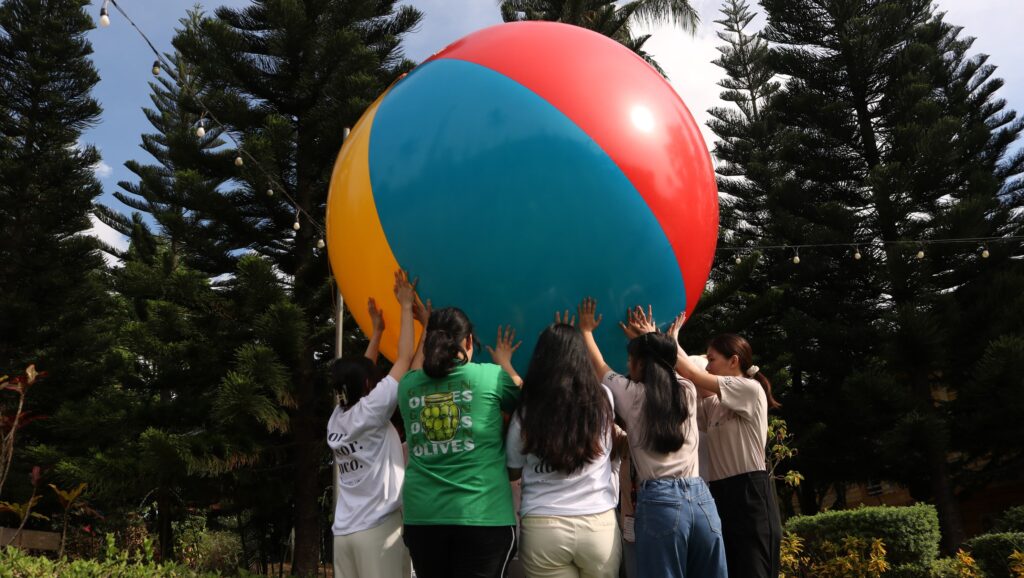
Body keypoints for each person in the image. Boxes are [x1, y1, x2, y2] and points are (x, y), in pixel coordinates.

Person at [577, 298, 726, 578]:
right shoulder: (686, 391)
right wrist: (648, 338)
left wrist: (586, 330)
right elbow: (666, 365)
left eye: (630, 359)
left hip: (660, 503)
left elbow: (601, 368)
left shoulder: (631, 395)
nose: (626, 364)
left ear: (639, 364)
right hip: (702, 498)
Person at [398, 307, 522, 578]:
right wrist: (505, 361)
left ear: (429, 342)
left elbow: (417, 369)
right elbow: (526, 403)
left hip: (423, 519)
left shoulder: (407, 386)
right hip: (483, 517)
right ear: (468, 342)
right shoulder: (491, 377)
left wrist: (422, 325)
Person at [666, 312, 783, 578]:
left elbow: (695, 375)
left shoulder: (749, 389)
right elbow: (695, 384)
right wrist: (673, 344)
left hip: (750, 494)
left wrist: (670, 342)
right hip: (721, 494)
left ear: (734, 361)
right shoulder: (715, 405)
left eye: (712, 360)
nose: (707, 366)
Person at [506, 314, 621, 578]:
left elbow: (513, 469)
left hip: (544, 525)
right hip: (598, 522)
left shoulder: (527, 407)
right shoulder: (603, 397)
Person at [327, 270, 420, 578]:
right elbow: (404, 359)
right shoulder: (372, 411)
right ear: (369, 385)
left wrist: (377, 333)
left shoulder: (337, 418)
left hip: (344, 536)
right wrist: (407, 307)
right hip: (378, 531)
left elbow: (361, 375)